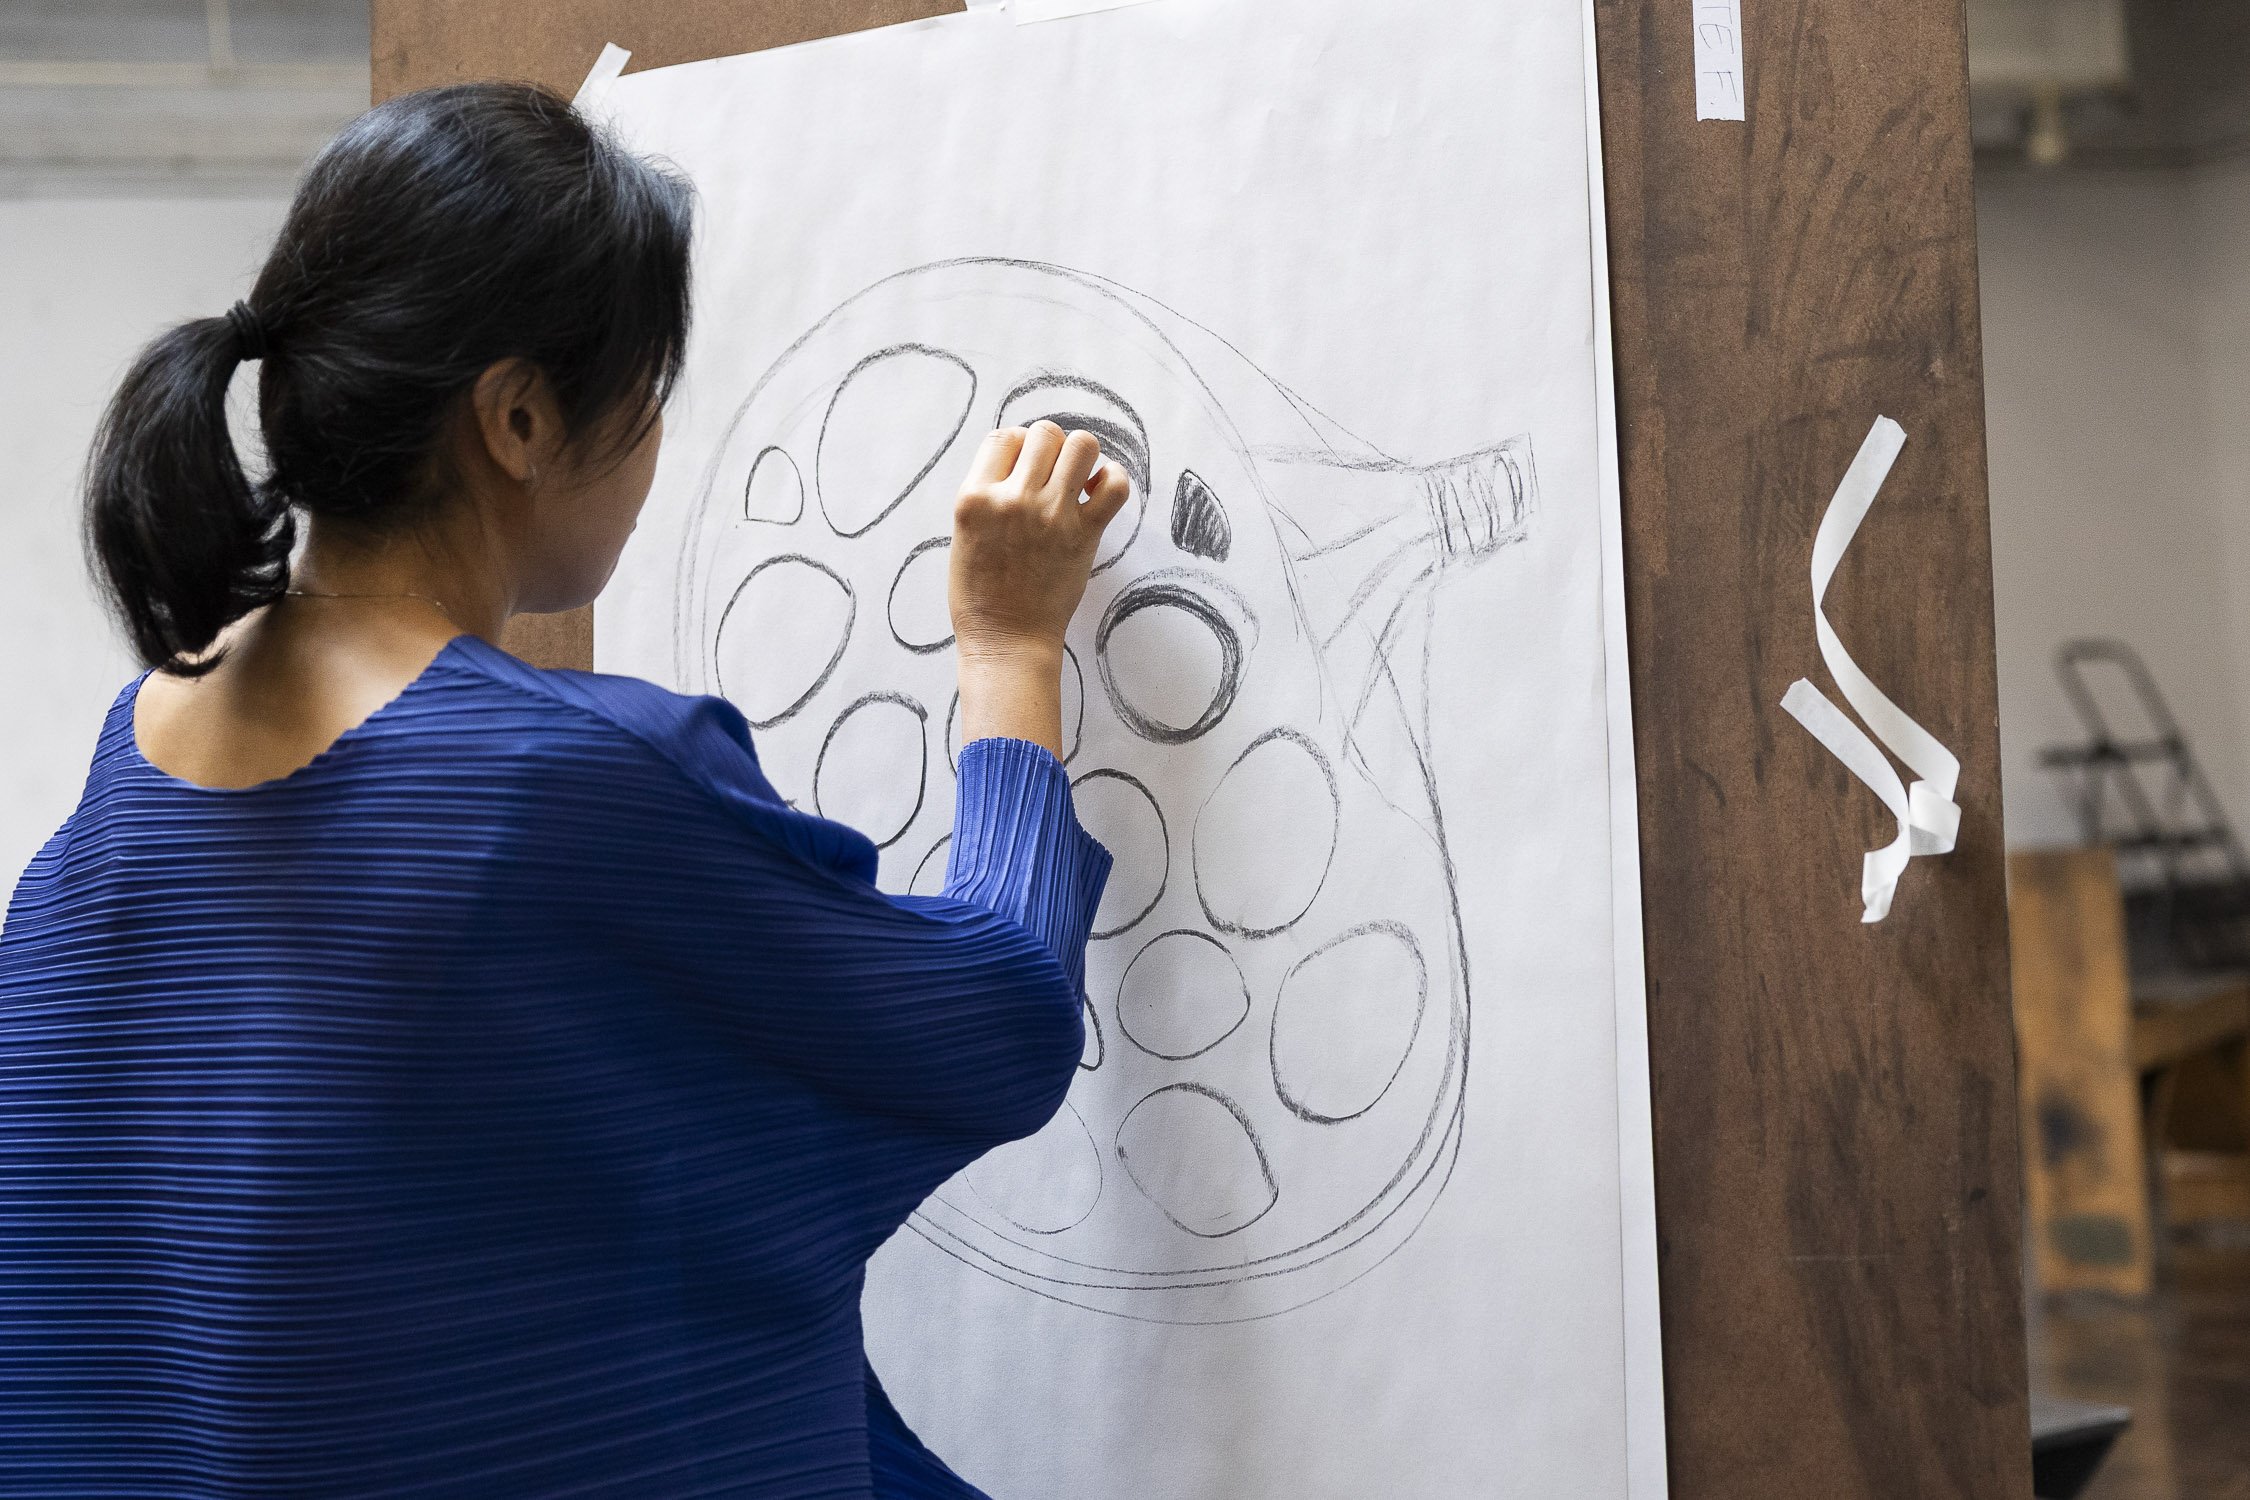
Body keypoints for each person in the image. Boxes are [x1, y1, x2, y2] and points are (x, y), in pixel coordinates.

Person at [0, 82, 1130, 1498]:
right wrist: (1010, 645)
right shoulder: (558, 788)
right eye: (648, 394)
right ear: (521, 418)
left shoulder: (101, 825)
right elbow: (996, 1019)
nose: (659, 447)